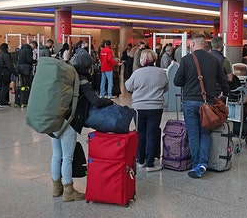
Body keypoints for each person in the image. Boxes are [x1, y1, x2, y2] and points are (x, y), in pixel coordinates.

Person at [52, 53, 113, 202]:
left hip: (53, 117)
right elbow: (95, 101)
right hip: (69, 121)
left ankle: (56, 187)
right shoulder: (81, 78)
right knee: (67, 157)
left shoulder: (65, 73)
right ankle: (68, 191)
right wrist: (108, 101)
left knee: (56, 155)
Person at [174, 35, 229, 179]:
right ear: (205, 45)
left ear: (192, 44)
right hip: (207, 103)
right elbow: (223, 81)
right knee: (205, 133)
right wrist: (224, 93)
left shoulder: (186, 60)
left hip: (190, 102)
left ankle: (196, 163)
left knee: (193, 134)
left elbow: (177, 81)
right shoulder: (214, 60)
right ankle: (203, 163)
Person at [125, 49, 168, 172]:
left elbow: (128, 86)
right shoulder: (161, 72)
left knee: (140, 134)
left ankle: (140, 161)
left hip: (138, 108)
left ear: (142, 60)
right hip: (155, 108)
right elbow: (166, 88)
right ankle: (150, 164)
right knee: (151, 135)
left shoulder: (137, 73)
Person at [0, 43, 15, 108]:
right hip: (5, 73)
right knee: (5, 87)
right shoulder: (6, 55)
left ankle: (0, 101)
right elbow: (10, 66)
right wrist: (15, 72)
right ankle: (2, 102)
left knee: (1, 87)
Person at [16, 43, 36, 107]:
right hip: (26, 69)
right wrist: (35, 61)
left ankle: (18, 101)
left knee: (21, 85)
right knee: (27, 85)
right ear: (33, 45)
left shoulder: (21, 50)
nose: (34, 49)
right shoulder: (29, 50)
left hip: (20, 68)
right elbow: (29, 60)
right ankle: (25, 101)